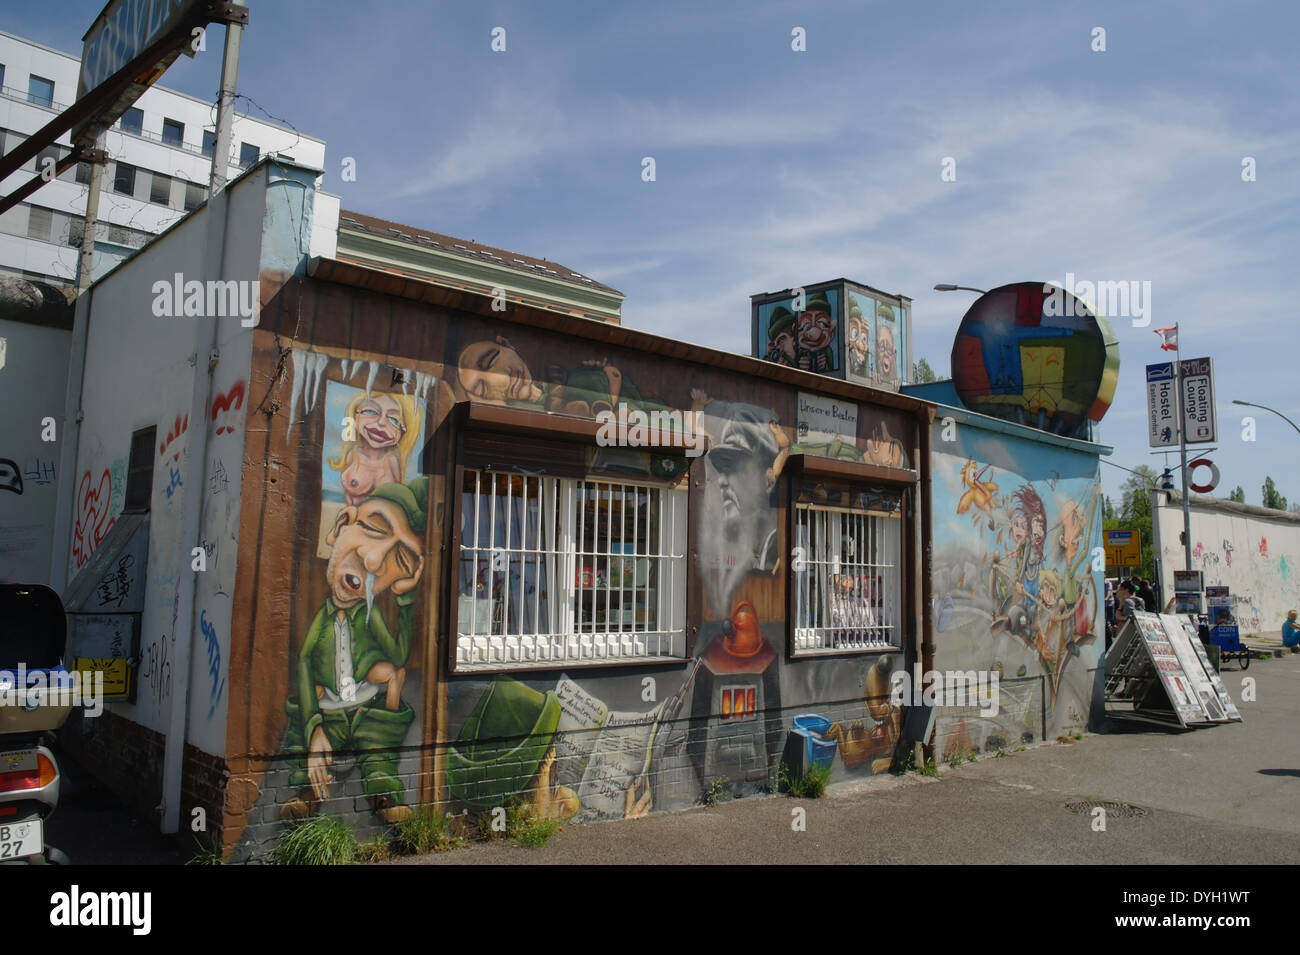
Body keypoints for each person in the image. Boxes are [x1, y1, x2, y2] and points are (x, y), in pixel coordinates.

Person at [281, 477, 427, 824]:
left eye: (401, 558)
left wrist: (406, 601)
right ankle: (306, 794)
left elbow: (398, 654)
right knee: (306, 735)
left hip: (365, 707)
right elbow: (302, 662)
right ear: (341, 525)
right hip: (329, 706)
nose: (374, 560)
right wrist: (314, 725)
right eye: (375, 529)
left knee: (377, 751)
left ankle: (384, 794)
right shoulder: (321, 618)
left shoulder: (371, 613)